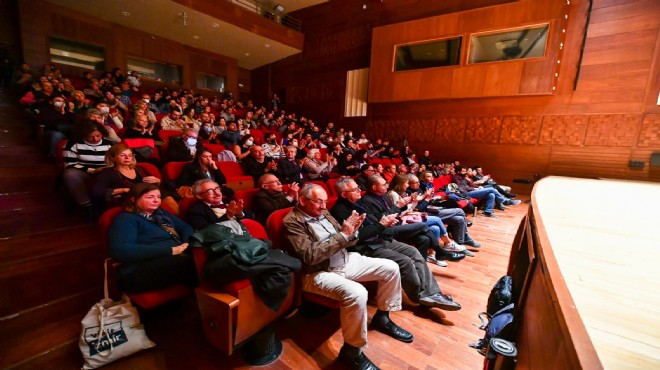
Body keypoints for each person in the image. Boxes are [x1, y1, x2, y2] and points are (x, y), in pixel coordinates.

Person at [283, 184, 413, 370]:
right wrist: (344, 235)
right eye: (318, 202)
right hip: (319, 272)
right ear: (303, 201)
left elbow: (346, 238)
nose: (323, 207)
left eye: (325, 202)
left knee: (391, 267)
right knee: (357, 293)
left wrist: (353, 231)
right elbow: (310, 256)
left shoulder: (325, 214)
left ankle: (383, 317)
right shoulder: (292, 222)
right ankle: (352, 351)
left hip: (344, 260)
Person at [330, 178, 461, 311]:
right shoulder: (340, 211)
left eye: (358, 187)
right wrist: (381, 224)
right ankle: (420, 296)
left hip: (379, 239)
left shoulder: (357, 204)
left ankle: (433, 293)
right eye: (354, 189)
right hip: (365, 247)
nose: (359, 190)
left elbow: (375, 221)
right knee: (405, 261)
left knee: (413, 252)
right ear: (343, 194)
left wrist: (384, 221)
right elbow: (357, 237)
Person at [107, 183, 198, 293]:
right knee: (190, 262)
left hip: (173, 258)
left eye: (158, 197)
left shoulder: (161, 213)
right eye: (150, 197)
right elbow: (120, 249)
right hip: (138, 269)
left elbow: (185, 227)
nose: (156, 200)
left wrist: (186, 243)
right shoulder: (126, 219)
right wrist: (170, 250)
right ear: (133, 199)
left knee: (202, 253)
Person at [359, 175, 465, 264]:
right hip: (385, 231)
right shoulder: (366, 201)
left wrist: (405, 205)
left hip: (397, 223)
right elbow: (379, 220)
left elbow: (396, 212)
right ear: (374, 187)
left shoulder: (384, 196)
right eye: (383, 184)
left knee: (424, 239)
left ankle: (420, 267)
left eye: (386, 183)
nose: (387, 185)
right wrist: (398, 206)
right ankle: (440, 251)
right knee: (423, 226)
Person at [387, 174, 472, 257]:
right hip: (415, 216)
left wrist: (425, 199)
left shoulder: (407, 191)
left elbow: (411, 208)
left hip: (422, 212)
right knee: (453, 213)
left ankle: (458, 243)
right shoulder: (399, 193)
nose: (418, 184)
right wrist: (423, 199)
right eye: (407, 183)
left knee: (458, 219)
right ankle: (448, 244)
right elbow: (408, 210)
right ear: (401, 184)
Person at [406, 174, 481, 248]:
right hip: (424, 215)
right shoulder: (409, 193)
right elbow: (418, 209)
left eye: (418, 182)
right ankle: (466, 238)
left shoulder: (419, 189)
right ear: (409, 184)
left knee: (459, 219)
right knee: (459, 211)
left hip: (431, 209)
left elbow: (425, 202)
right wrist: (427, 198)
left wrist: (429, 198)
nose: (418, 184)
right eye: (416, 182)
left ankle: (460, 242)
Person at [91, 143, 167, 211]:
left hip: (148, 199)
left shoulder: (140, 169)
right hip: (127, 203)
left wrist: (157, 181)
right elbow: (96, 192)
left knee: (168, 198)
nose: (127, 157)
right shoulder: (108, 172)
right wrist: (123, 190)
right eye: (122, 155)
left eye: (130, 155)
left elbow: (153, 187)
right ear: (113, 158)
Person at [62, 121, 113, 211]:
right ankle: (86, 204)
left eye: (98, 136)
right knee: (69, 174)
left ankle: (108, 204)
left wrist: (107, 169)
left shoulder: (109, 144)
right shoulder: (73, 143)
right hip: (83, 171)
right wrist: (93, 170)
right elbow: (70, 164)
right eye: (90, 136)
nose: (95, 139)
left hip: (105, 170)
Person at [452, 166, 520, 218]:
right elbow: (462, 188)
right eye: (463, 171)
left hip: (472, 190)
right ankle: (505, 201)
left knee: (491, 195)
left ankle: (487, 212)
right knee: (491, 189)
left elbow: (472, 184)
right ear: (458, 172)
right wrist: (474, 189)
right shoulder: (456, 177)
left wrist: (477, 187)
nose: (465, 172)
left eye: (465, 171)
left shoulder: (465, 177)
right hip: (467, 193)